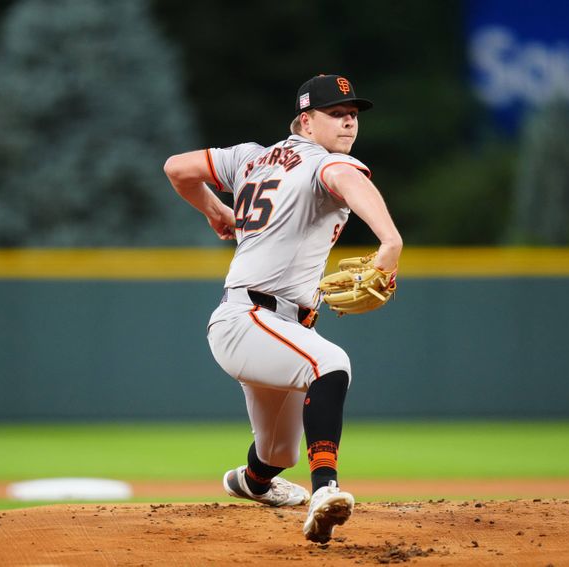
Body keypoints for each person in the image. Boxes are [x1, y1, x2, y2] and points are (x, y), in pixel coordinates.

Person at [163, 74, 402, 543]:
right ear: (306, 122)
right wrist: (390, 239)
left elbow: (177, 168)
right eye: (336, 113)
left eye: (353, 114)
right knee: (330, 364)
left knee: (277, 452)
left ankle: (251, 482)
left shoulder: (249, 157)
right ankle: (325, 490)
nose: (349, 121)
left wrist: (215, 210)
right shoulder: (327, 162)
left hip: (268, 323)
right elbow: (345, 179)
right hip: (249, 318)